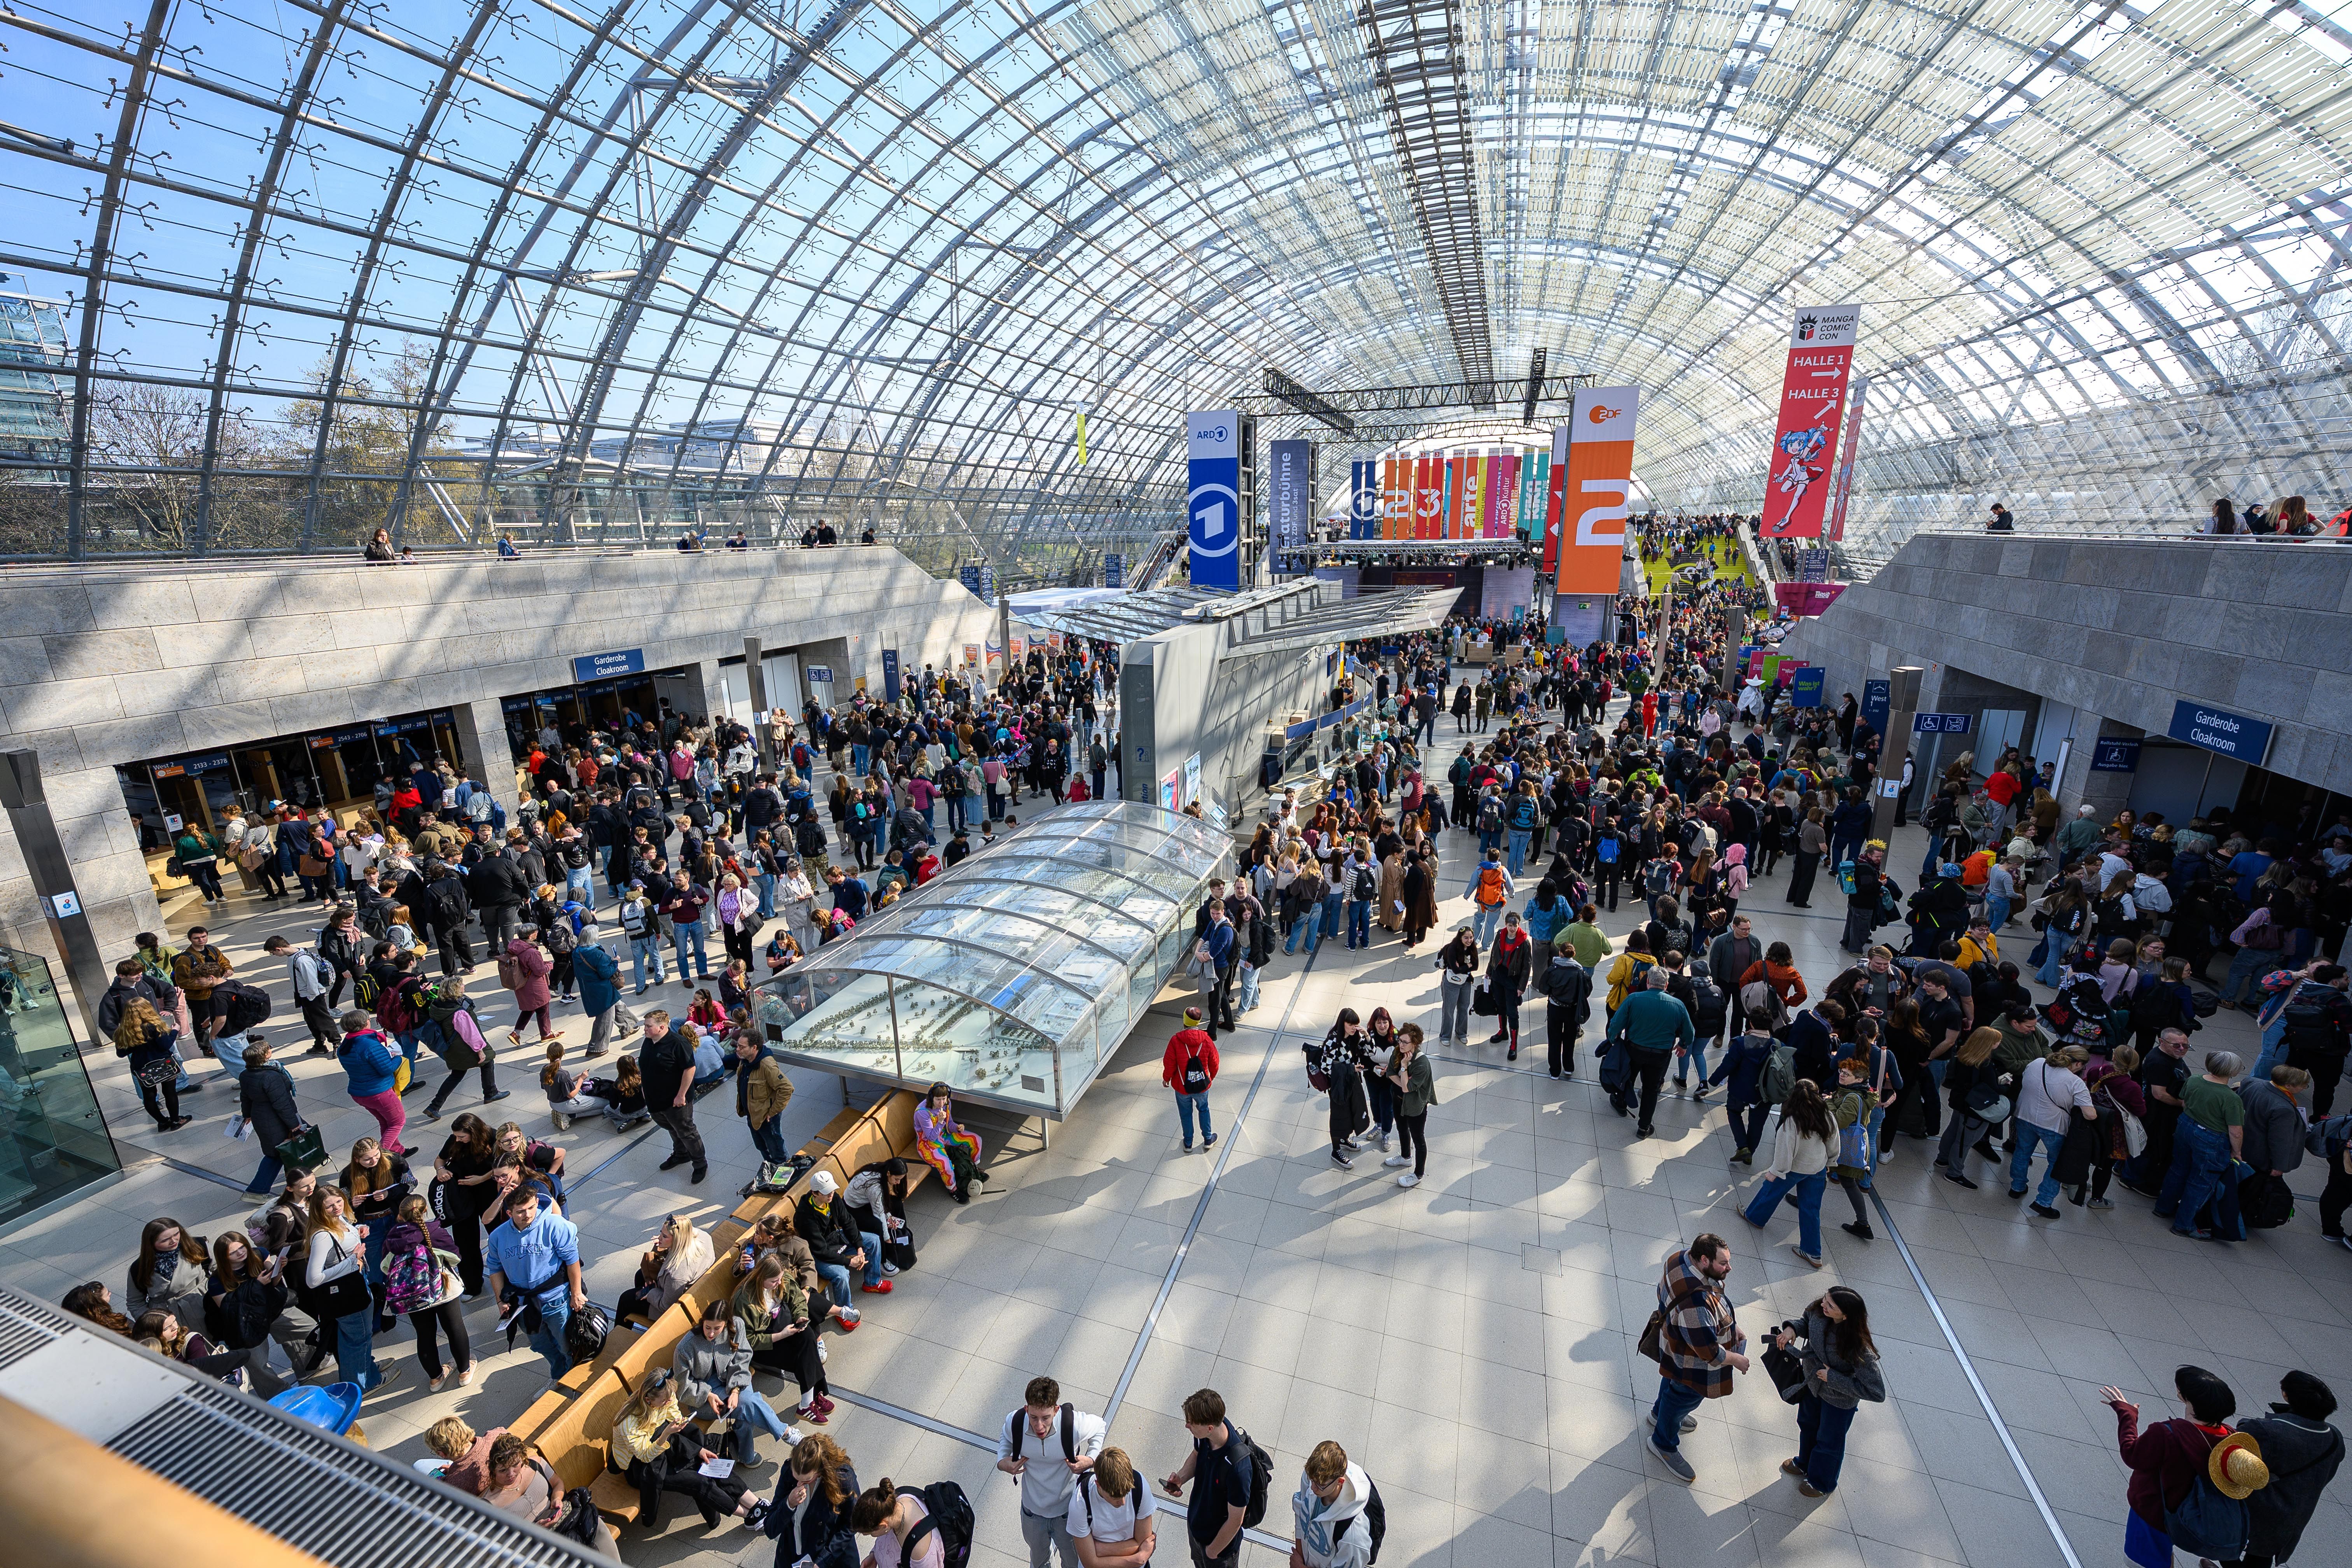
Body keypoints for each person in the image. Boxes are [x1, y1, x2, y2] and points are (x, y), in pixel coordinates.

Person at [2105, 1366, 2247, 1568]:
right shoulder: (2231, 1438)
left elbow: (2131, 1454)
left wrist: (2127, 1414)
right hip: (2195, 1514)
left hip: (2154, 1513)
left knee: (2146, 1563)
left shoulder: (2166, 1434)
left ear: (2188, 1401)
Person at [1647, 1234, 1749, 1486]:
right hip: (1690, 1362)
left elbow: (1661, 1291)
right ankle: (1663, 1443)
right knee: (1684, 1396)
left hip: (1673, 1342)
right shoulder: (1697, 1304)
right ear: (1704, 1260)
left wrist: (1730, 1325)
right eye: (1723, 1263)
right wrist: (1737, 1360)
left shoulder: (1679, 1257)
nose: (1729, 1268)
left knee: (1671, 1380)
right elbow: (1709, 1353)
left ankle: (1659, 1414)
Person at [612, 1367, 766, 1530]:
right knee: (698, 1482)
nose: (669, 1402)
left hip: (667, 1443)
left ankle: (756, 1504)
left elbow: (674, 1415)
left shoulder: (665, 1394)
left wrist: (692, 1441)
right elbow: (645, 1456)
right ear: (648, 1400)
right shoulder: (629, 1423)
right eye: (664, 1401)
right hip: (642, 1466)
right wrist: (667, 1434)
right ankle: (750, 1515)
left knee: (710, 1463)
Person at [1772, 1286, 1886, 1498]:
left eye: (1830, 1305)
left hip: (1839, 1401)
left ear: (1845, 1316)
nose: (1823, 1305)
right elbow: (1806, 1321)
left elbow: (1877, 1392)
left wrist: (1833, 1378)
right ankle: (1804, 1464)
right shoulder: (1818, 1311)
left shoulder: (1859, 1347)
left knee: (1829, 1441)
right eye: (1825, 1299)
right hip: (1813, 1387)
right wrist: (1792, 1329)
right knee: (1807, 1426)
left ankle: (1822, 1483)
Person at [2231, 1370, 2343, 1568]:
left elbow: (2236, 1452)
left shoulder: (2266, 1431)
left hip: (2256, 1509)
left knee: (2226, 1544)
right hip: (2294, 1515)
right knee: (2261, 1557)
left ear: (2286, 1395)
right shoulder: (2335, 1438)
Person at [995, 1374, 1108, 1568]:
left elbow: (1100, 1427)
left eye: (1046, 1418)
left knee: (1073, 1563)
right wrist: (1002, 1461)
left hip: (1068, 1512)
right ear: (1026, 1410)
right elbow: (1005, 1436)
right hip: (1032, 1513)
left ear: (1056, 1411)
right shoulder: (1016, 1422)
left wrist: (1090, 1460)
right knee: (1039, 1562)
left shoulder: (1072, 1425)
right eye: (1034, 1417)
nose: (1039, 1426)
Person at [674, 1297, 797, 1463]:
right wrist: (708, 1395)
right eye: (707, 1327)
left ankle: (747, 1456)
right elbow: (682, 1387)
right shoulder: (686, 1347)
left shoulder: (737, 1326)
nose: (711, 1333)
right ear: (702, 1322)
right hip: (702, 1398)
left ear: (726, 1323)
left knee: (746, 1405)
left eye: (717, 1329)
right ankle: (785, 1432)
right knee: (748, 1404)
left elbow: (743, 1358)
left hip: (736, 1378)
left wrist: (735, 1390)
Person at [483, 1181, 584, 1377]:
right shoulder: (498, 1237)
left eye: (532, 1207)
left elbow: (573, 1260)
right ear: (510, 1213)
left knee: (567, 1344)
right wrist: (500, 1301)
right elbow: (495, 1269)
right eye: (520, 1212)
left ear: (538, 1202)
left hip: (557, 1300)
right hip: (524, 1305)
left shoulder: (555, 1225)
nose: (528, 1214)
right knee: (540, 1345)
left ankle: (575, 1380)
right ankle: (559, 1375)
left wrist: (577, 1293)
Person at [305, 1184, 392, 1393]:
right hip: (347, 1293)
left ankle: (367, 1369)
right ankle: (364, 1383)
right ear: (319, 1210)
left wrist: (358, 1229)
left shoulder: (340, 1219)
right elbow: (313, 1279)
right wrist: (352, 1262)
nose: (336, 1208)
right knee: (358, 1339)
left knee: (357, 1337)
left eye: (338, 1202)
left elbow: (343, 1243)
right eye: (329, 1206)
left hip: (356, 1284)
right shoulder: (323, 1236)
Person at [1743, 1078, 1838, 1267]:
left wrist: (1776, 1172)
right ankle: (1813, 1253)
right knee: (1811, 1210)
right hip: (1817, 1168)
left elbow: (1785, 1152)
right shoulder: (1826, 1114)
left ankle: (1755, 1217)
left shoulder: (1791, 1122)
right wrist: (1831, 1162)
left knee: (1770, 1192)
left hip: (1794, 1168)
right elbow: (1834, 1140)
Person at [381, 1192, 471, 1391]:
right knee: (454, 1327)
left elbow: (385, 1267)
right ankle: (464, 1372)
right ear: (425, 1211)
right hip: (443, 1289)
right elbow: (455, 1257)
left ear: (401, 1216)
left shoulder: (392, 1239)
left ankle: (436, 1379)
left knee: (424, 1334)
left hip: (411, 1296)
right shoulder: (434, 1232)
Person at [2155, 1049, 2247, 1240]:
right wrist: (2236, 1152)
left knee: (2178, 1169)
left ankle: (2163, 1207)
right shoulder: (2231, 1099)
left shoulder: (2195, 1080)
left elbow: (2185, 1103)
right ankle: (2184, 1224)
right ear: (2232, 1072)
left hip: (2186, 1126)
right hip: (2212, 1138)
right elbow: (2236, 1131)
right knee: (2202, 1181)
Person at [1160, 1388, 1251, 1568]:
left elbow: (1235, 1521)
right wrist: (1181, 1478)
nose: (1187, 1426)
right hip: (1197, 1530)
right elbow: (1197, 1453)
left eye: (1192, 1423)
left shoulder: (1239, 1469)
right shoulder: (1205, 1435)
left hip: (1219, 1550)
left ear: (1209, 1428)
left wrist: (1212, 1552)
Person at [1604, 968, 1694, 1138]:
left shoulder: (1634, 999)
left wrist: (1613, 1039)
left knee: (1627, 1078)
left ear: (1647, 983)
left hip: (1634, 1049)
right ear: (1666, 985)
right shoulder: (1678, 1005)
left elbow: (1616, 1024)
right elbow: (1689, 1033)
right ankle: (1644, 1127)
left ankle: (1621, 1104)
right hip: (1661, 1054)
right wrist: (1683, 1045)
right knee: (1651, 1089)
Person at [2010, 1043, 2096, 1218]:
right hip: (2054, 1126)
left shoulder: (2037, 1063)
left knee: (2022, 1152)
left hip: (2024, 1116)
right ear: (2079, 1064)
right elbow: (2090, 1115)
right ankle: (2043, 1202)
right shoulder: (2076, 1083)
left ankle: (2017, 1187)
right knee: (2056, 1164)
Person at [762, 1431, 860, 1568]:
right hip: (792, 1556)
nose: (799, 1484)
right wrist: (789, 1504)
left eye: (807, 1480)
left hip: (832, 1558)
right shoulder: (788, 1473)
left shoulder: (843, 1480)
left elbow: (851, 1524)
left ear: (821, 1470)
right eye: (797, 1478)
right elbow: (770, 1529)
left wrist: (822, 1562)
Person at [1710, 985, 1782, 1164]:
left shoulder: (1741, 1043)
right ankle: (1750, 1152)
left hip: (1740, 1090)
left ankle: (1743, 1147)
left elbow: (1727, 1066)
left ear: (1750, 1024)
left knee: (1734, 1112)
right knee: (1757, 1124)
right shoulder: (1777, 1045)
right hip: (1766, 1094)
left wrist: (1713, 1080)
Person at [637, 1009, 708, 1183]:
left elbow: (690, 1068)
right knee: (671, 1128)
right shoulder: (648, 1041)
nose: (644, 1029)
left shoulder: (678, 1043)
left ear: (662, 1027)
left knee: (686, 1130)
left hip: (675, 1101)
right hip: (655, 1100)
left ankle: (700, 1164)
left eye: (648, 1026)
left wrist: (681, 1095)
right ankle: (681, 1153)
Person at [796, 1168, 886, 1302]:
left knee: (873, 1240)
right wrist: (849, 1261)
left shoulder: (833, 1198)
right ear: (815, 1193)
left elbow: (848, 1222)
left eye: (832, 1190)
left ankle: (872, 1282)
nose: (831, 1195)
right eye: (827, 1192)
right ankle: (845, 1311)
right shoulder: (805, 1217)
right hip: (816, 1253)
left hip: (834, 1239)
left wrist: (859, 1247)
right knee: (842, 1274)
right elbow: (820, 1250)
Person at [618, 1213, 716, 1325]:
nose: (660, 1238)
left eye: (665, 1237)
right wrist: (665, 1242)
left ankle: (619, 1336)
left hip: (673, 1311)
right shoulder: (704, 1237)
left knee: (626, 1300)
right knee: (641, 1275)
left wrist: (651, 1293)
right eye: (661, 1233)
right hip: (692, 1286)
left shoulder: (676, 1274)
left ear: (678, 1240)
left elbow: (666, 1305)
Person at [1289, 1441, 1375, 1568]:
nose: (1312, 1488)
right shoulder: (1314, 1475)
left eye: (1320, 1485)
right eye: (1311, 1480)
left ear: (1340, 1482)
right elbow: (1300, 1510)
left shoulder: (1353, 1536)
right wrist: (1300, 1556)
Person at [1069, 1447, 1157, 1568]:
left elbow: (1143, 1541)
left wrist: (1100, 1550)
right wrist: (1138, 1559)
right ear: (1098, 1485)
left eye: (1125, 1494)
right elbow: (1091, 1563)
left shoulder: (1139, 1485)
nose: (1122, 1503)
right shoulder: (1081, 1502)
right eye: (1115, 1498)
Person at [1380, 1023, 1434, 1188]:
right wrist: (1401, 1080)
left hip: (1415, 1106)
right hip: (1398, 1099)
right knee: (1402, 1129)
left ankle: (1418, 1174)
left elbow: (1406, 1087)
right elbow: (1390, 1073)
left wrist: (1403, 1068)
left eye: (1405, 1042)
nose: (1401, 1045)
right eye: (1400, 1040)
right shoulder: (1398, 1051)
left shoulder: (1422, 1064)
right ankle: (1405, 1157)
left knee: (1419, 1139)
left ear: (1415, 1044)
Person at [914, 1080, 985, 1200]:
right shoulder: (922, 1112)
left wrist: (957, 1128)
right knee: (945, 1165)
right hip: (928, 1143)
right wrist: (941, 1121)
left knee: (976, 1140)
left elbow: (950, 1124)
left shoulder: (947, 1104)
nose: (941, 1103)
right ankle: (953, 1190)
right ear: (932, 1097)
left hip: (945, 1134)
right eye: (938, 1099)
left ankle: (974, 1171)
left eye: (944, 1099)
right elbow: (931, 1137)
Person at [850, 1477, 943, 1568]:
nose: (872, 1535)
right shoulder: (889, 1504)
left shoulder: (920, 1549)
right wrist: (874, 1556)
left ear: (883, 1525)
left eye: (870, 1534)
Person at [1163, 1009, 1220, 1153]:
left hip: (1182, 1087)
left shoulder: (1176, 1041)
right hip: (1202, 1086)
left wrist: (1166, 1079)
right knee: (1204, 1109)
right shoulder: (1206, 1039)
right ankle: (1208, 1139)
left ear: (1185, 1022)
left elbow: (1169, 1063)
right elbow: (1215, 1062)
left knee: (1186, 1114)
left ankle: (1188, 1143)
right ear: (1199, 1022)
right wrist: (1210, 1077)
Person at [1435, 925, 1480, 1043]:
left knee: (1464, 1008)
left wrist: (1465, 967)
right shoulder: (1453, 948)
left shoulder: (1472, 948)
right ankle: (1445, 1036)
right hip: (1451, 983)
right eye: (1466, 938)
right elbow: (1455, 970)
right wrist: (1468, 966)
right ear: (1460, 938)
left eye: (1471, 937)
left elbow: (1476, 966)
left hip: (1466, 982)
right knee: (1449, 1010)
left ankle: (1462, 1033)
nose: (1469, 940)